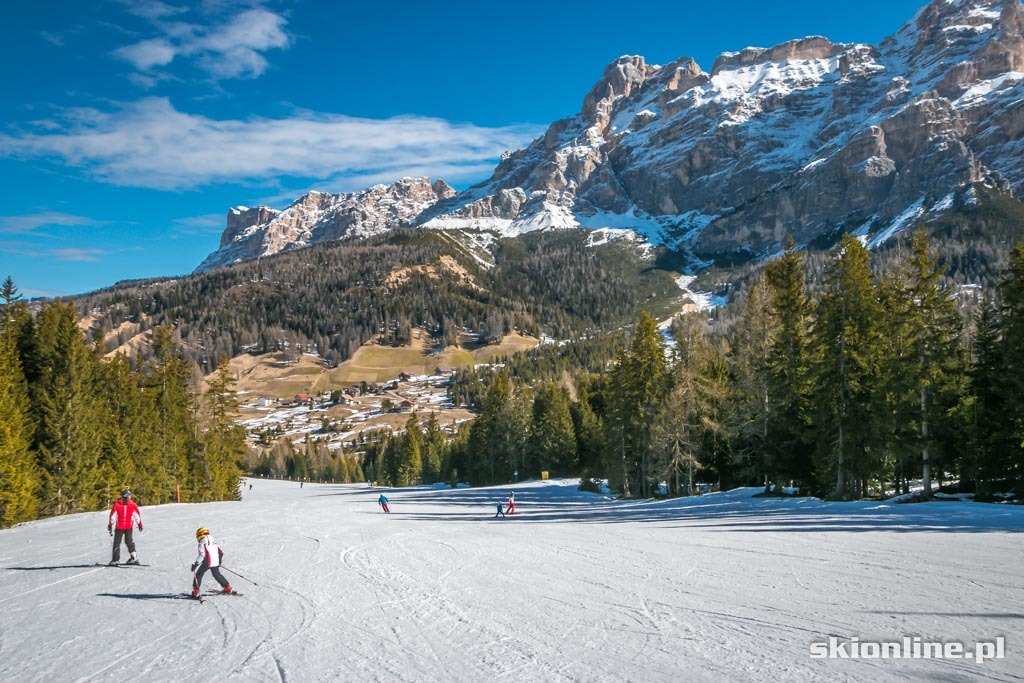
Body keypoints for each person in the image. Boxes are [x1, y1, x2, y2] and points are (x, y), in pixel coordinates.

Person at [190, 527, 232, 598]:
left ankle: (196, 591)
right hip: (215, 561)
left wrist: (195, 564)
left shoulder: (202, 543)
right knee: (216, 574)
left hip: (207, 562)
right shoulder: (214, 542)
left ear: (200, 535)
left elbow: (202, 555)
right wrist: (219, 561)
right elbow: (221, 553)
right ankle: (227, 588)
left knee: (199, 574)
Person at [107, 488, 142, 565]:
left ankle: (115, 560)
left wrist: (110, 525)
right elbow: (137, 516)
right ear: (129, 496)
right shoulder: (133, 505)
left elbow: (112, 516)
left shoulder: (117, 505)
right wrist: (139, 525)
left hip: (119, 527)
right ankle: (134, 558)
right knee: (129, 542)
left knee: (117, 542)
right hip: (129, 526)